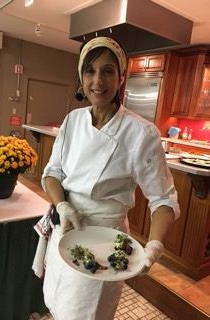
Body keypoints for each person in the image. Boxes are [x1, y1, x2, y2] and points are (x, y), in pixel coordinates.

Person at [40, 36, 180, 320]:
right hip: (66, 230)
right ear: (81, 76)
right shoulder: (73, 121)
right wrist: (63, 206)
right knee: (57, 300)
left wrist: (153, 246)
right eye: (90, 70)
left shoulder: (141, 133)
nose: (97, 81)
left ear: (121, 77)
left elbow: (163, 198)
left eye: (107, 71)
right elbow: (52, 173)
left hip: (104, 239)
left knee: (85, 312)